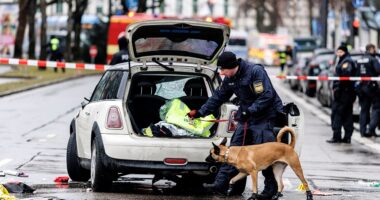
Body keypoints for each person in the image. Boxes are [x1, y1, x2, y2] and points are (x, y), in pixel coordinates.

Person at [187, 51, 284, 199]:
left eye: (223, 69)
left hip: (264, 117)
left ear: (232, 66)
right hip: (247, 117)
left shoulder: (255, 72)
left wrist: (250, 111)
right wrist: (200, 112)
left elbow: (267, 96)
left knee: (264, 155)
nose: (222, 73)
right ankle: (220, 184)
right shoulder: (230, 78)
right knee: (231, 151)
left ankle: (270, 190)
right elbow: (218, 97)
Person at [327, 46, 357, 144]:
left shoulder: (346, 62)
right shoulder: (342, 60)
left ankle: (337, 137)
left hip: (344, 93)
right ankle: (346, 137)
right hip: (345, 92)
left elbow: (345, 77)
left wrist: (338, 88)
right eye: (337, 52)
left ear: (344, 52)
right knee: (346, 114)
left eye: (340, 51)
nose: (338, 53)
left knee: (337, 114)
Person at [356, 44, 380, 137]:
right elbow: (378, 70)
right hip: (372, 87)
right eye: (374, 49)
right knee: (377, 107)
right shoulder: (373, 59)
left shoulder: (359, 60)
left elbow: (356, 73)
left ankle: (362, 131)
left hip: (361, 87)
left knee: (364, 110)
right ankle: (371, 128)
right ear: (371, 49)